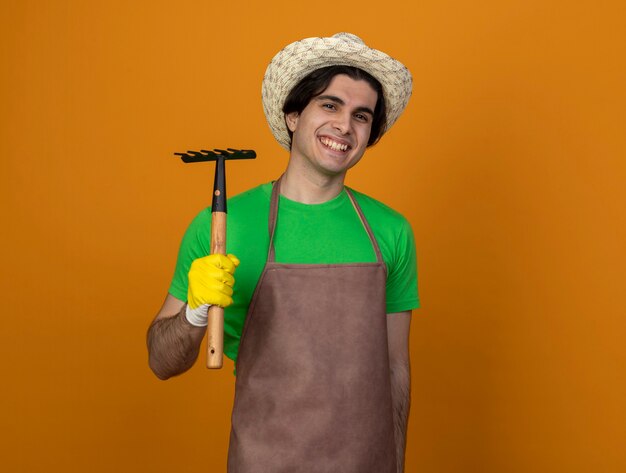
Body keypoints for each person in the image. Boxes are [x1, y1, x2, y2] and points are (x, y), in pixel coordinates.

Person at [147, 32, 419, 473]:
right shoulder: (224, 225)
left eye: (361, 115)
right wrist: (195, 310)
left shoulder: (390, 232)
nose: (344, 127)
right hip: (264, 460)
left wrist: (396, 464)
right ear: (293, 115)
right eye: (329, 105)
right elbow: (162, 362)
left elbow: (395, 370)